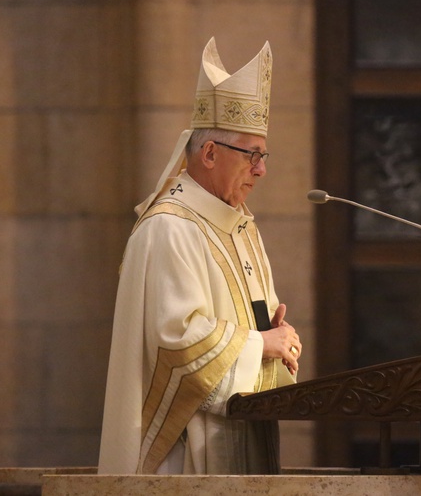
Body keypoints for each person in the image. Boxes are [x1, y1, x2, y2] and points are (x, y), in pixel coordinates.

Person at [98, 37, 302, 475]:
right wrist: (260, 344)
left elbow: (251, 336)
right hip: (186, 457)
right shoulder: (170, 227)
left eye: (263, 155)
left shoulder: (240, 225)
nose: (262, 169)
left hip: (243, 439)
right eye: (252, 154)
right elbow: (177, 343)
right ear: (209, 153)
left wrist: (276, 336)